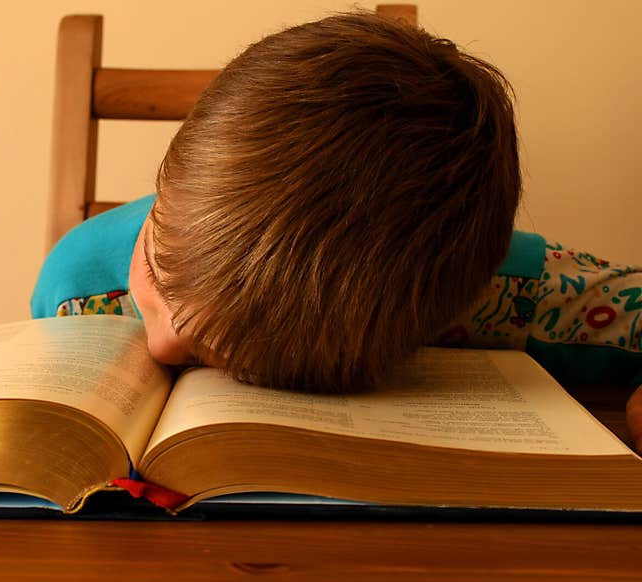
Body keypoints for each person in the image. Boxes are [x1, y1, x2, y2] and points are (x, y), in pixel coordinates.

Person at [31, 11, 642, 447]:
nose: (162, 343)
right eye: (160, 264)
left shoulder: (512, 294)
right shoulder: (77, 293)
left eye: (238, 357)